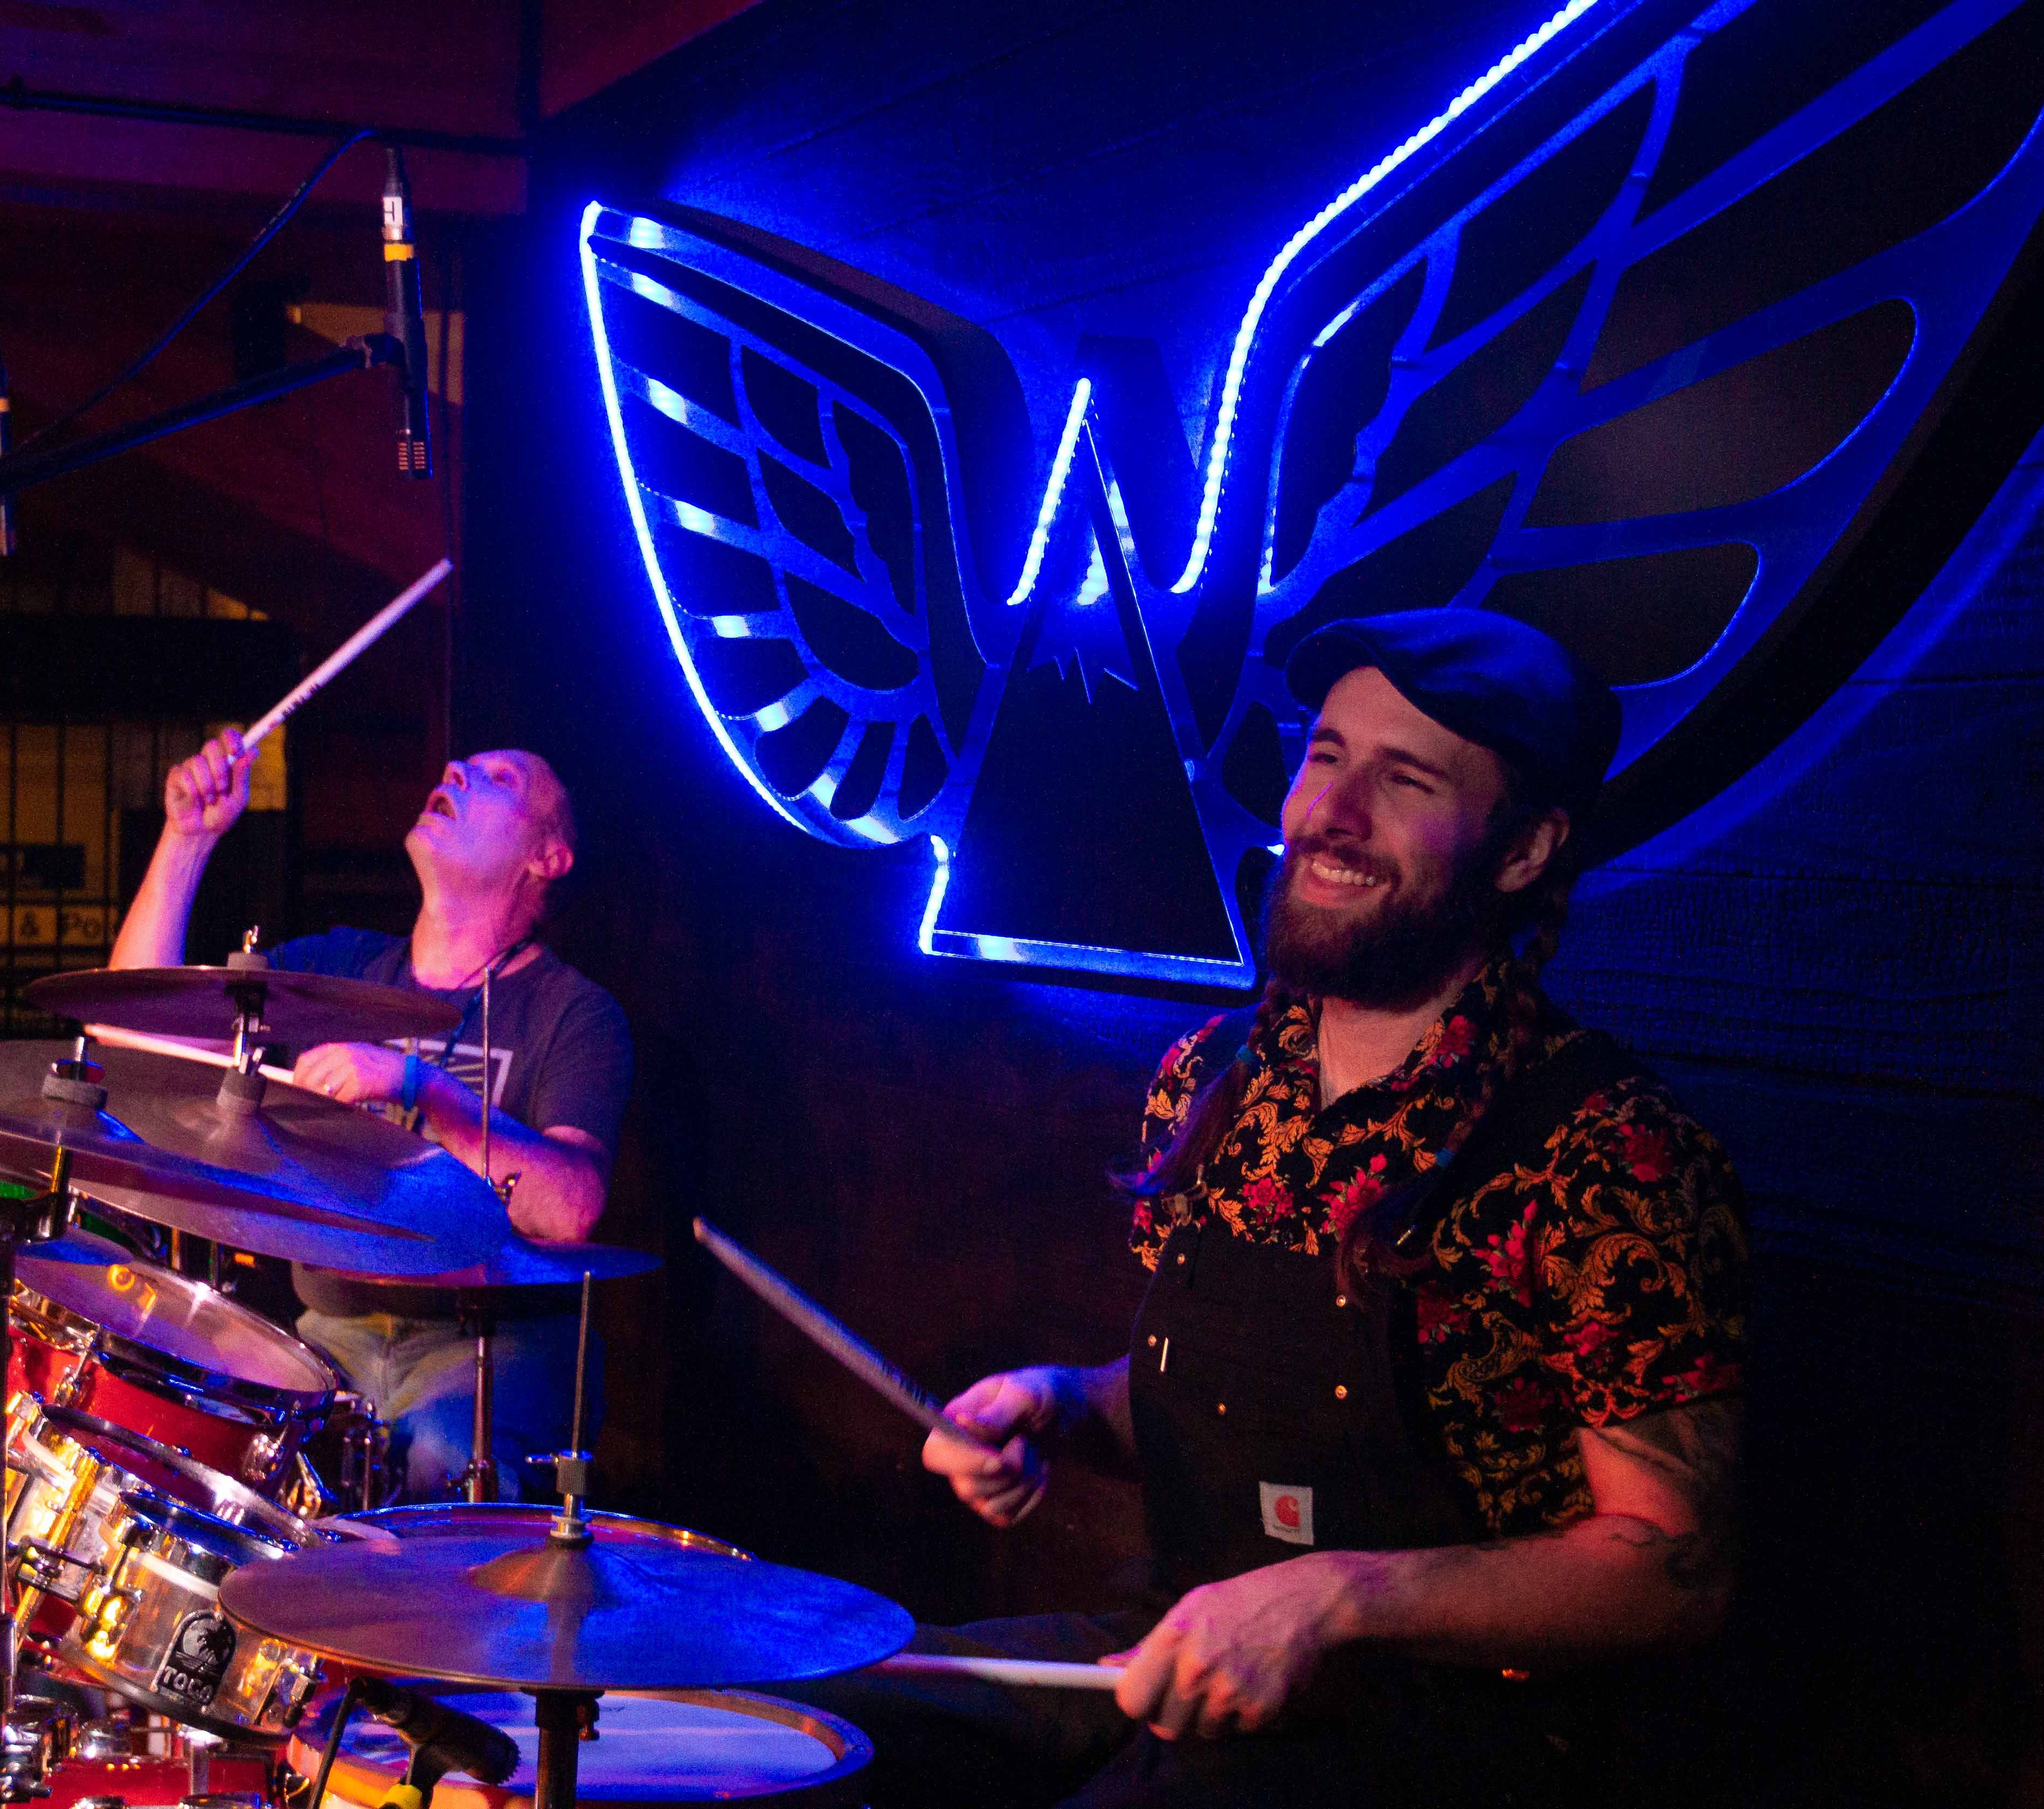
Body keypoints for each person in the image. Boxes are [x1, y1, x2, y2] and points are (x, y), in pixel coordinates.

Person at [801, 611, 1746, 1808]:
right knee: (807, 1731)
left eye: (1402, 779)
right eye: (1325, 756)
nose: (1328, 815)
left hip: (1446, 1734)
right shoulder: (1212, 1082)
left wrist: (1335, 1596)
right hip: (1165, 1655)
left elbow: (1672, 1572)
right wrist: (1051, 1403)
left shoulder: (1605, 1151)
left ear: (1523, 850)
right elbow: (1225, 1407)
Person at [111, 738, 631, 1500]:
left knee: (438, 1453)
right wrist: (187, 840)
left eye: (499, 778)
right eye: (460, 765)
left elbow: (571, 1206)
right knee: (217, 1448)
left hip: (493, 1347)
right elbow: (134, 1032)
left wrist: (421, 1085)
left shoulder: (574, 1013)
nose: (454, 772)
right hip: (332, 1332)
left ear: (548, 856)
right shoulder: (341, 969)